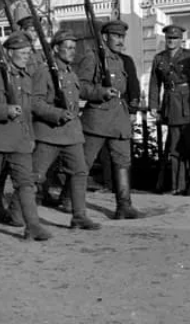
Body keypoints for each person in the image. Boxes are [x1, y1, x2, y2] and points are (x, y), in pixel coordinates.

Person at [0, 32, 51, 241]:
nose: (26, 56)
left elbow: (28, 112)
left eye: (28, 53)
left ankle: (32, 226)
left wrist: (30, 137)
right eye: (22, 53)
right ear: (10, 53)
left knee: (25, 183)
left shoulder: (27, 78)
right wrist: (5, 110)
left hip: (20, 140)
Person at [29, 29, 100, 230]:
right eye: (67, 48)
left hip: (71, 134)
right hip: (49, 133)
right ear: (55, 49)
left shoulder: (70, 72)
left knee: (79, 172)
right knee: (35, 176)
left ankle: (79, 216)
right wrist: (56, 114)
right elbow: (35, 102)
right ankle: (18, 213)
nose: (71, 52)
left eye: (73, 48)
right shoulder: (44, 72)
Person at [78, 20, 142, 219]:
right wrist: (101, 91)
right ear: (105, 37)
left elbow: (132, 86)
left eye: (122, 36)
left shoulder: (124, 60)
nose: (120, 40)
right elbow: (81, 86)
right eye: (116, 36)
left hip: (119, 118)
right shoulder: (93, 58)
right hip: (97, 118)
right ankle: (70, 200)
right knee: (83, 163)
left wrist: (132, 110)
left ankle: (124, 205)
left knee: (123, 160)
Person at [148, 24, 190, 195]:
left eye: (175, 38)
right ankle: (176, 186)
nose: (171, 41)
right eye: (169, 38)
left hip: (187, 103)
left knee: (188, 145)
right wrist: (153, 106)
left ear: (182, 40)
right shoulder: (160, 59)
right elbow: (154, 84)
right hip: (171, 105)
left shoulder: (188, 57)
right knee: (174, 148)